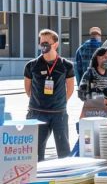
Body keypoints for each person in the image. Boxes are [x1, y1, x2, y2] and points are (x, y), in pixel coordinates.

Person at [24, 29, 75, 161]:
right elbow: (28, 89)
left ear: (56, 44)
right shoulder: (31, 65)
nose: (43, 46)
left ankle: (65, 178)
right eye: (41, 43)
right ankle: (37, 179)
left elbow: (70, 88)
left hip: (59, 113)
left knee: (64, 151)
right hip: (37, 113)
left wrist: (60, 102)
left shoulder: (66, 65)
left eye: (47, 43)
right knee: (35, 152)